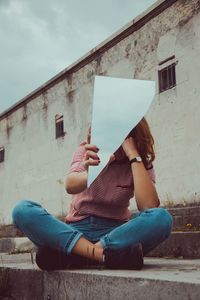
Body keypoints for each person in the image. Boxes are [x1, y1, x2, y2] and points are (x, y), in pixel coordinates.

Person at [12, 118, 173, 270]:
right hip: (76, 230)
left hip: (117, 235)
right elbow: (70, 185)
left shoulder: (139, 160)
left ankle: (77, 255)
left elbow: (148, 206)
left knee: (162, 218)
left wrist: (133, 156)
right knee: (22, 210)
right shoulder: (88, 149)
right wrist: (91, 172)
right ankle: (105, 256)